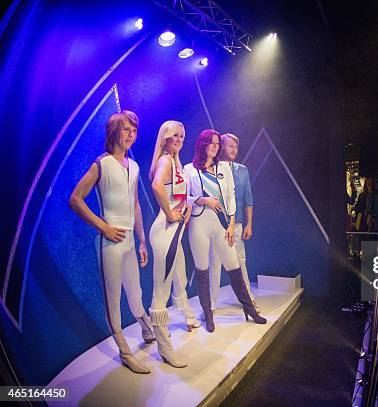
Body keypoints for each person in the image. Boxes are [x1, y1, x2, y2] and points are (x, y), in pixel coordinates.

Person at [69, 111, 155, 374]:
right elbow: (75, 199)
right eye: (126, 129)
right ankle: (125, 352)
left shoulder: (135, 166)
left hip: (130, 240)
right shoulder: (101, 164)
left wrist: (142, 241)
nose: (131, 134)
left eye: (134, 130)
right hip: (111, 244)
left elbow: (136, 205)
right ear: (114, 132)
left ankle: (146, 327)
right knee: (113, 300)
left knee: (136, 292)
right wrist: (103, 226)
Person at [184, 130, 266, 333]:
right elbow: (184, 198)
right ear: (202, 144)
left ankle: (250, 310)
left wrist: (231, 224)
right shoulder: (189, 169)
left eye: (216, 143)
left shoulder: (223, 168)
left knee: (234, 265)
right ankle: (208, 313)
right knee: (203, 270)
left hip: (222, 225)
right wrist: (203, 200)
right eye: (210, 143)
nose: (214, 146)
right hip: (198, 224)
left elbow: (230, 197)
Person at [148, 120, 198, 368]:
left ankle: (185, 319)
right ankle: (165, 349)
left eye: (181, 136)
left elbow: (177, 195)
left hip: (174, 232)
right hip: (165, 231)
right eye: (174, 136)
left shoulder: (175, 162)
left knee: (178, 279)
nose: (178, 139)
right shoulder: (166, 161)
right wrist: (170, 213)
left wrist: (185, 208)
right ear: (165, 138)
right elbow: (157, 186)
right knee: (161, 292)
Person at [208, 133, 258, 314]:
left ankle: (249, 300)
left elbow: (248, 199)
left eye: (236, 147)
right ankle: (211, 304)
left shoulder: (242, 170)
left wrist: (249, 223)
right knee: (215, 263)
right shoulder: (211, 168)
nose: (234, 150)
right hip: (217, 224)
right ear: (221, 147)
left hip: (236, 224)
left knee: (241, 261)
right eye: (230, 146)